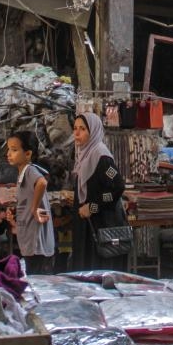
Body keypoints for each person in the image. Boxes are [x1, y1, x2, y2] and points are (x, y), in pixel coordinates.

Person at [70, 112, 127, 271]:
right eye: (75, 128)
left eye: (82, 129)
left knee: (98, 269)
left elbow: (117, 186)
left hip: (101, 223)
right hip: (88, 223)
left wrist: (93, 206)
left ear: (93, 131)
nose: (77, 133)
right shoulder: (84, 155)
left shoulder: (102, 157)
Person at [7, 130, 55, 274]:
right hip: (29, 237)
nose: (9, 154)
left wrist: (34, 209)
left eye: (14, 150)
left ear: (28, 154)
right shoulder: (23, 173)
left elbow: (42, 183)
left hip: (36, 243)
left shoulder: (29, 171)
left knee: (38, 280)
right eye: (8, 150)